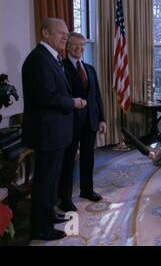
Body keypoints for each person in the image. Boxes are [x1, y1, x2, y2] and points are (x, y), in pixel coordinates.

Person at [22, 18, 86, 241]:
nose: (64, 36)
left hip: (55, 132)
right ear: (45, 33)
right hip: (47, 132)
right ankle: (40, 228)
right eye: (60, 32)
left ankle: (49, 215)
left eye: (66, 33)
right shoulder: (38, 59)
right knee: (44, 182)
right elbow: (45, 97)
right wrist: (73, 103)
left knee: (51, 181)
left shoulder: (50, 58)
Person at [58, 32, 106, 213]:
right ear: (68, 46)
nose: (79, 48)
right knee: (68, 161)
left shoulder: (90, 68)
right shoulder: (60, 67)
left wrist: (102, 118)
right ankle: (65, 198)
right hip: (70, 122)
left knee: (88, 158)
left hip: (91, 121)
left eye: (82, 45)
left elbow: (96, 96)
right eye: (75, 45)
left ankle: (87, 190)